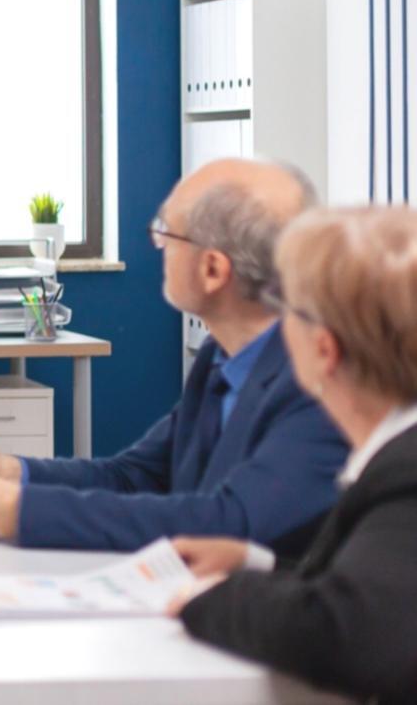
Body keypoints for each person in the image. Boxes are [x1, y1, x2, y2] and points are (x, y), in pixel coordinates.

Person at [0, 158, 347, 553]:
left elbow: (230, 525)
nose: (158, 245)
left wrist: (3, 509)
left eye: (166, 232)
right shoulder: (224, 356)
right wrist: (2, 470)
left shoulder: (324, 380)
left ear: (213, 270)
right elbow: (134, 476)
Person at [170, 206, 417, 701]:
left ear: (324, 350)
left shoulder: (405, 476)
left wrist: (216, 596)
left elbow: (349, 636)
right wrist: (258, 563)